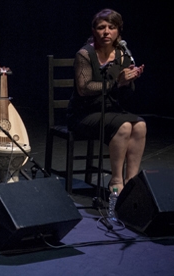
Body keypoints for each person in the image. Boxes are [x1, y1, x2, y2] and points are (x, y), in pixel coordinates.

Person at [67, 8, 146, 194]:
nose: (106, 32)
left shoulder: (122, 54)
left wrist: (128, 82)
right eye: (101, 27)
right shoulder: (85, 54)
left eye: (112, 27)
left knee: (140, 125)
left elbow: (125, 95)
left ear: (118, 31)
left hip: (111, 111)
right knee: (125, 126)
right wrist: (115, 82)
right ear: (94, 31)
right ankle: (116, 181)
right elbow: (84, 88)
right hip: (83, 114)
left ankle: (131, 182)